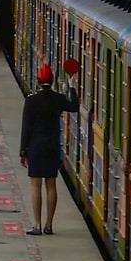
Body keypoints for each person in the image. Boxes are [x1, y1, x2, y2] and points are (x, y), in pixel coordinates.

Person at [20, 63, 79, 235]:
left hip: (36, 147)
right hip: (52, 146)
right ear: (52, 81)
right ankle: (49, 225)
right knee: (51, 185)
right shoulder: (59, 99)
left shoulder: (31, 100)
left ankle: (37, 225)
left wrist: (23, 151)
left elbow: (26, 128)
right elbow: (74, 107)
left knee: (35, 185)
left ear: (38, 81)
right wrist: (72, 86)